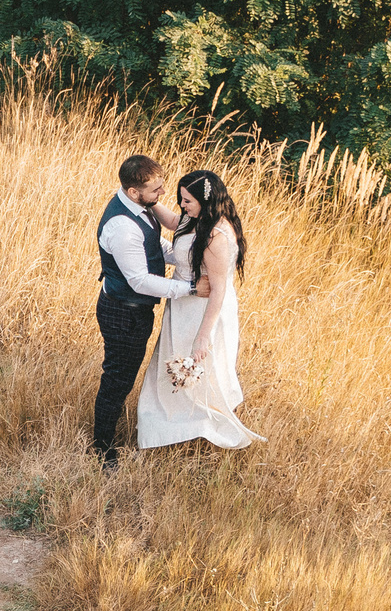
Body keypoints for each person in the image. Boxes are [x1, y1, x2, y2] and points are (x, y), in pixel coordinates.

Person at [137, 168, 264, 452]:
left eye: (187, 201)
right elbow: (173, 221)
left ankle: (199, 429)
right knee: (173, 367)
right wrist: (149, 199)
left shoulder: (216, 236)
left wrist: (202, 336)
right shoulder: (196, 218)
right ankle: (171, 430)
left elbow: (218, 290)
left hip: (204, 311)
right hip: (183, 305)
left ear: (204, 202)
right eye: (181, 199)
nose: (182, 206)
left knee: (197, 370)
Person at [92, 153, 195, 468]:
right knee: (117, 380)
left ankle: (107, 438)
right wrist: (188, 289)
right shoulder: (122, 226)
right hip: (123, 312)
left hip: (134, 311)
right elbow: (139, 281)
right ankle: (102, 450)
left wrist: (185, 258)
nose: (162, 194)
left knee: (122, 377)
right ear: (134, 191)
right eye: (155, 190)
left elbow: (155, 247)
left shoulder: (141, 208)